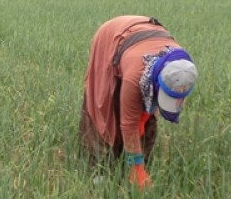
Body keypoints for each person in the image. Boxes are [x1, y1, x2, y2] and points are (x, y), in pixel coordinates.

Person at [79, 16, 198, 189]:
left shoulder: (181, 69)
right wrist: (136, 167)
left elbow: (153, 100)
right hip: (112, 37)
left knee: (143, 116)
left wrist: (143, 120)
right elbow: (128, 123)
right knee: (104, 106)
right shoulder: (136, 75)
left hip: (144, 38)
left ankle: (137, 159)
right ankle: (101, 166)